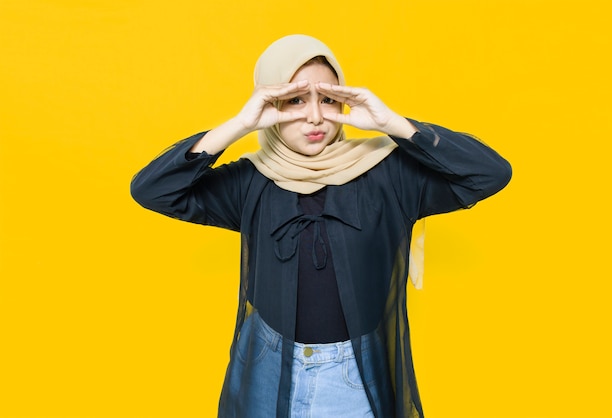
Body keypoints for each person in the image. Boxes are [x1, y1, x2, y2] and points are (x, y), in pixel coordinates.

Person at [130, 34, 512, 418]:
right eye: (295, 100)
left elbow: (489, 174)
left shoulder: (387, 172)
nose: (314, 117)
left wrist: (393, 123)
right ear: (269, 102)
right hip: (266, 363)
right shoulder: (251, 180)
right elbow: (153, 190)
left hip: (353, 376)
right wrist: (240, 124)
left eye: (328, 99)